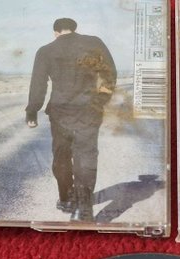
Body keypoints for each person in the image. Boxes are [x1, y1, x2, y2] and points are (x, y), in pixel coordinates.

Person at [26, 18, 116, 222]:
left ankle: (66, 200)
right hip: (89, 110)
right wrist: (101, 100)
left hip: (60, 112)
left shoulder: (45, 51)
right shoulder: (94, 42)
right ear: (75, 29)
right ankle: (84, 209)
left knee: (62, 155)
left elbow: (38, 85)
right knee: (86, 155)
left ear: (56, 32)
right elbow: (109, 74)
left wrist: (32, 111)